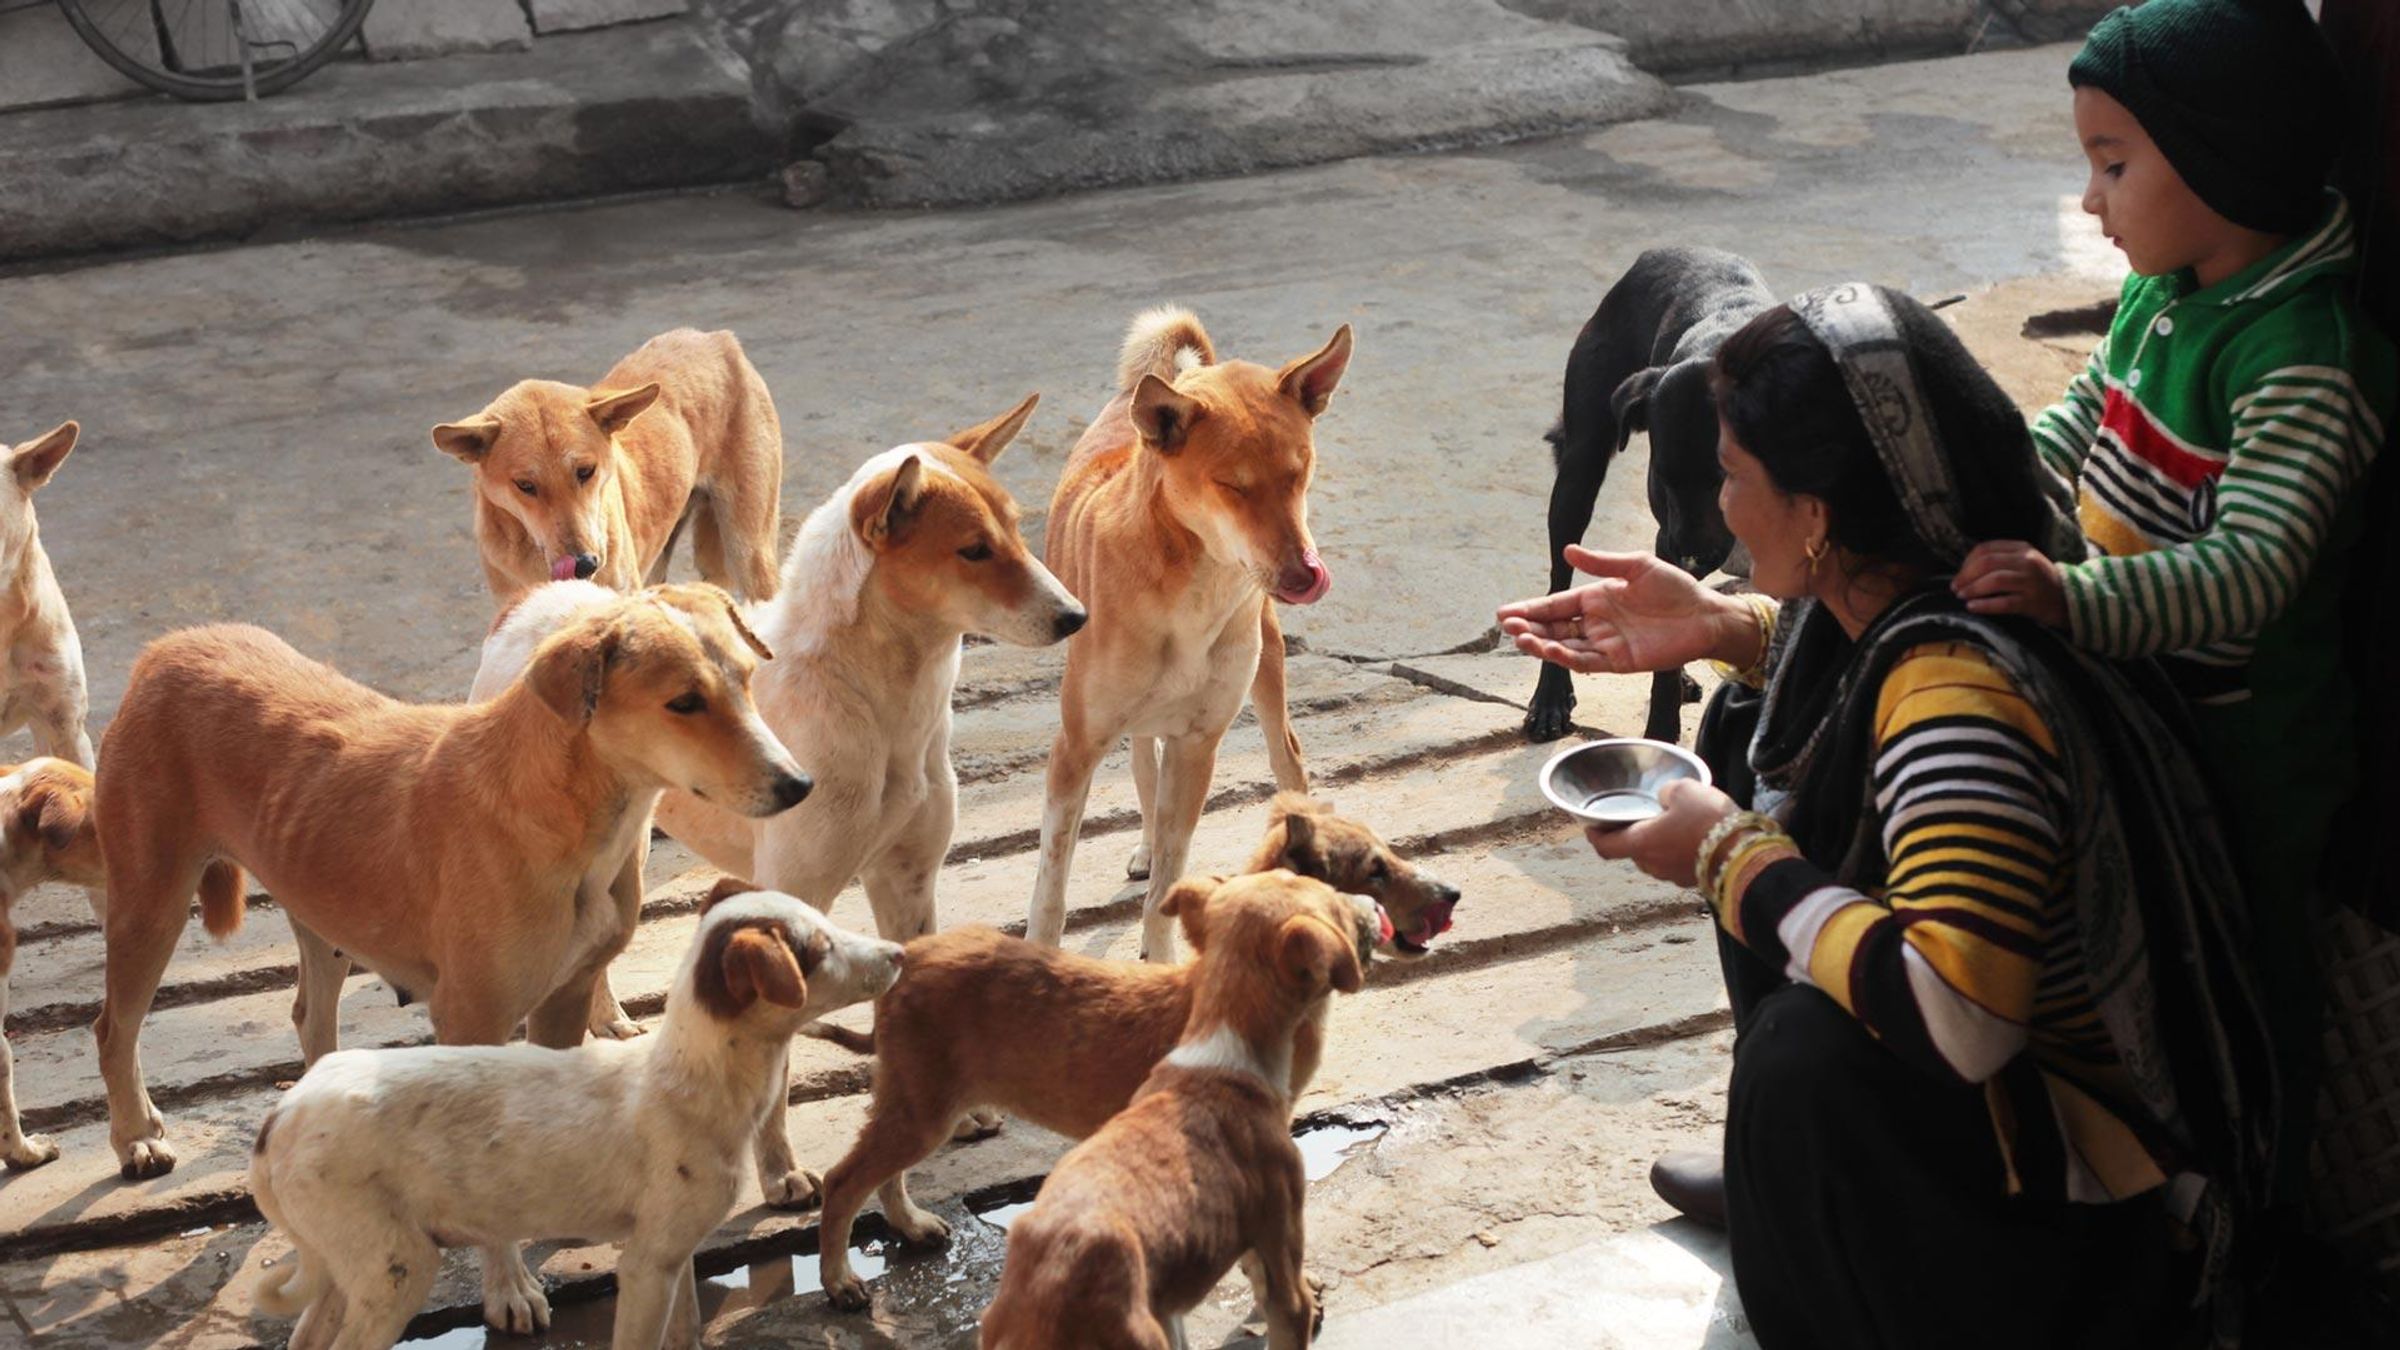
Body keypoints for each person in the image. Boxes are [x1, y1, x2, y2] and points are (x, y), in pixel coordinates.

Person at [1498, 285, 2272, 1349]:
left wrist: (1729, 855)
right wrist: (1720, 625)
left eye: (1731, 476)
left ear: (1816, 511)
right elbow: (1833, 669)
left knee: (1804, 1064)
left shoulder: (1958, 693)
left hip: (2091, 1217)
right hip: (2020, 1134)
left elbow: (1963, 1019)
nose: (1717, 509)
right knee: (1741, 716)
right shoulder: (1922, 592)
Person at [1947, 0, 2396, 1204]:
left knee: (2246, 987)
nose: (2090, 198)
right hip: (2143, 704)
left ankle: (2257, 1208)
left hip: (2247, 759)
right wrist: (1989, 492)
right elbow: (2077, 422)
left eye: (2113, 163)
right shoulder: (2166, 293)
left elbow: (2251, 570)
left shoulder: (2306, 352)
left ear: (2223, 159)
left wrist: (2070, 597)